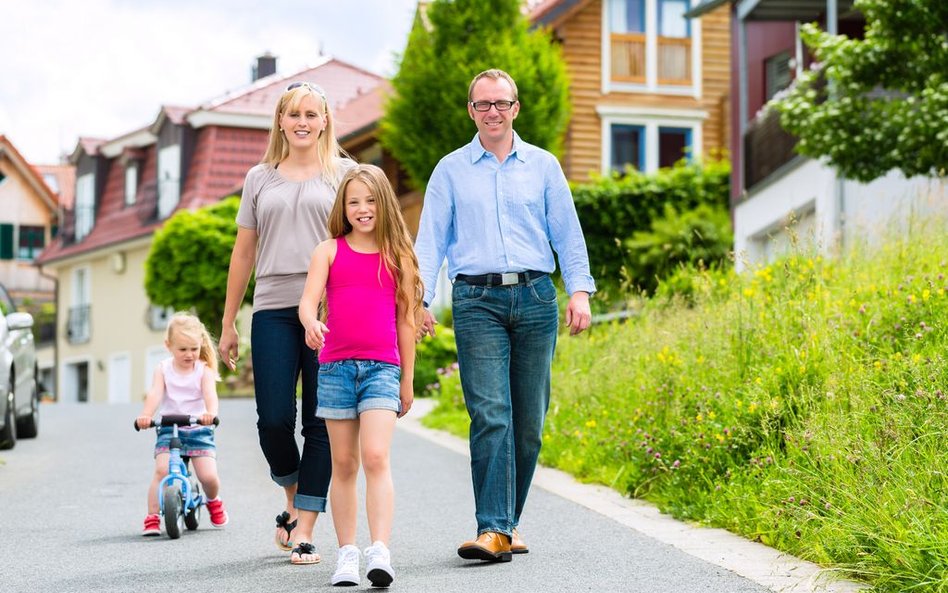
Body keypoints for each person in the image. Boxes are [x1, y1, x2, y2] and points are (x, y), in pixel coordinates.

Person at [414, 68, 596, 562]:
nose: (492, 112)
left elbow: (567, 234)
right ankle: (492, 527)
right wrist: (419, 299)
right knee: (490, 414)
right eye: (482, 105)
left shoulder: (543, 166)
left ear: (515, 108)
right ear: (471, 111)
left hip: (536, 298)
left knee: (529, 422)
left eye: (501, 103)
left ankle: (507, 524)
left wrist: (579, 291)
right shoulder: (450, 170)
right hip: (476, 302)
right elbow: (429, 241)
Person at [218, 81, 355, 565]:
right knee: (274, 419)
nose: (302, 122)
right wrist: (229, 320)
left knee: (321, 420)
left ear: (324, 122)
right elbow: (244, 251)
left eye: (311, 114)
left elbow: (363, 240)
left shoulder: (346, 174)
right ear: (281, 121)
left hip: (329, 310)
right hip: (273, 307)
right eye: (293, 114)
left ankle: (306, 527)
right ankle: (293, 493)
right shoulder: (260, 178)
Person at [298, 163, 424, 587]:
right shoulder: (328, 250)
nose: (362, 209)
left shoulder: (399, 257)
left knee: (375, 457)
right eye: (353, 202)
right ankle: (347, 553)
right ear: (343, 207)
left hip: (382, 370)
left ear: (383, 204)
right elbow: (308, 301)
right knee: (345, 463)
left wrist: (408, 379)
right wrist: (311, 323)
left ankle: (380, 552)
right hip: (334, 369)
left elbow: (407, 320)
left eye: (370, 200)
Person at [136, 312, 228, 535]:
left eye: (194, 349)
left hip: (198, 429)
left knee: (208, 476)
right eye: (183, 349)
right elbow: (155, 393)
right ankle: (152, 517)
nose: (189, 355)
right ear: (168, 346)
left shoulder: (203, 371)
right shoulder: (163, 369)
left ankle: (213, 501)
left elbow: (210, 396)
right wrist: (146, 415)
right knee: (160, 471)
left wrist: (210, 413)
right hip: (169, 428)